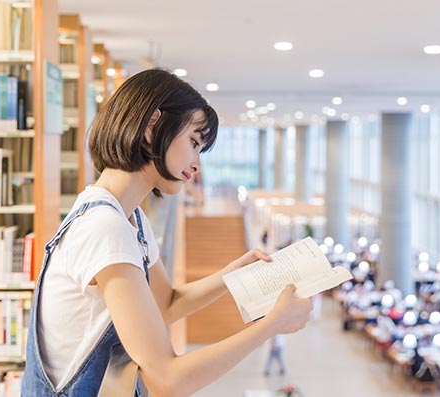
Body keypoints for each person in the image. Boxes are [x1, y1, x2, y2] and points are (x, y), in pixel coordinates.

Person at [21, 69, 313, 397]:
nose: (196, 164)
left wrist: (233, 275)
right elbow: (167, 380)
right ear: (151, 125)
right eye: (193, 142)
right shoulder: (106, 228)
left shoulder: (129, 218)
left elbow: (166, 304)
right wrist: (272, 325)